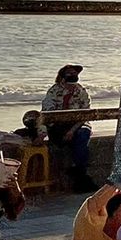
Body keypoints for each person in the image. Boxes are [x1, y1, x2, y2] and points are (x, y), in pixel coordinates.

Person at [41, 64, 95, 193]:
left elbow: (85, 113)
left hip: (77, 124)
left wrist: (72, 130)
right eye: (69, 74)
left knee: (82, 135)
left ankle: (78, 170)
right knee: (64, 141)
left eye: (74, 74)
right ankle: (80, 174)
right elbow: (47, 114)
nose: (73, 78)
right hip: (58, 124)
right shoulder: (54, 91)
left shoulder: (81, 91)